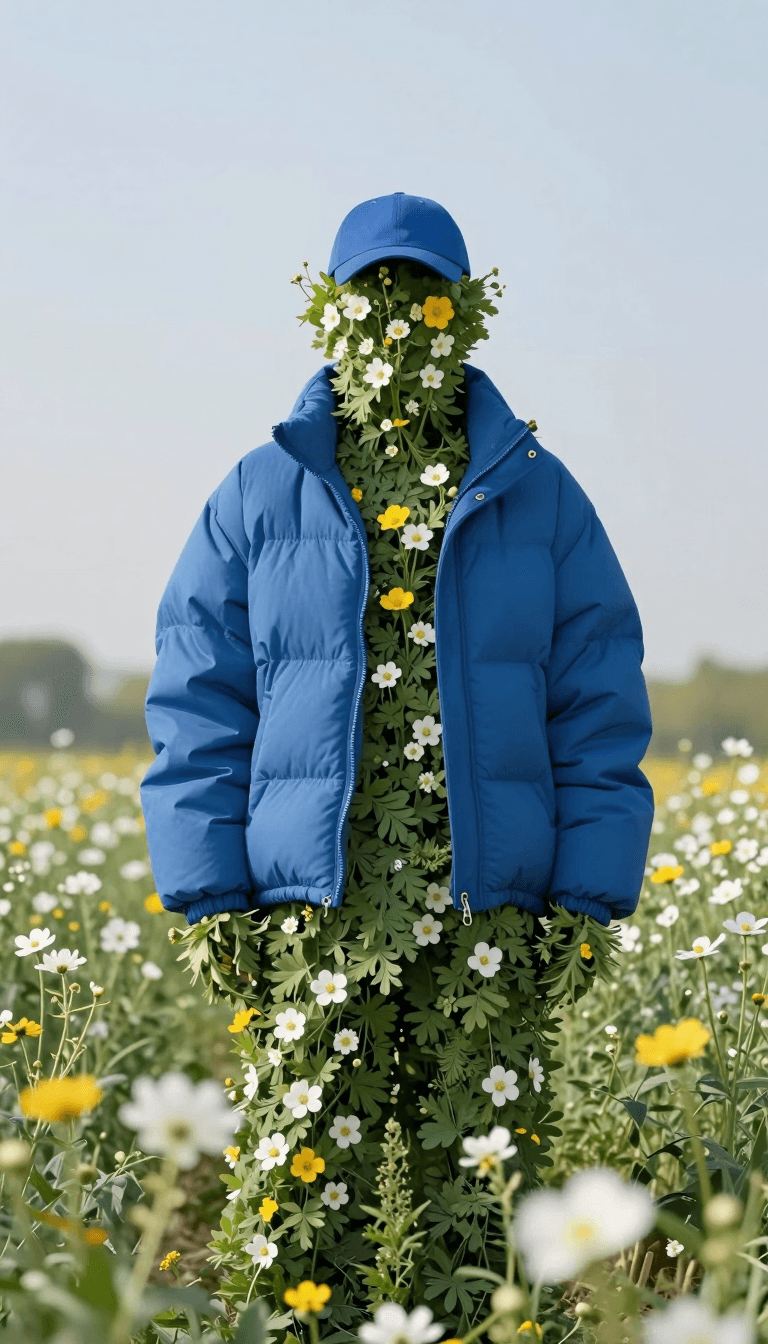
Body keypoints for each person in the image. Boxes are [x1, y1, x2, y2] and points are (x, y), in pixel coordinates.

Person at [140, 192, 654, 1320]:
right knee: (299, 1183)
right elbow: (198, 694)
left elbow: (600, 698)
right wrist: (208, 887)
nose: (394, 319)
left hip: (488, 904)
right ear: (331, 314)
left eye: (418, 297)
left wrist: (589, 888)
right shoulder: (262, 488)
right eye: (371, 296)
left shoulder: (537, 491)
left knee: (488, 1190)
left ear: (460, 315)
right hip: (317, 910)